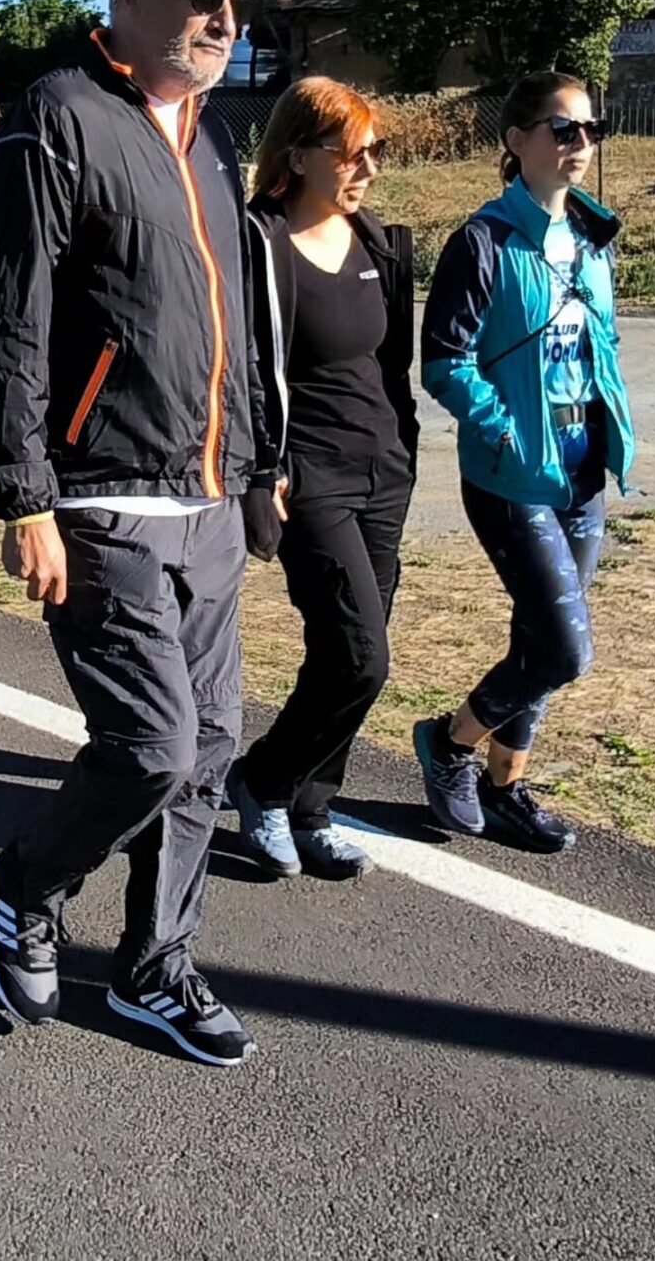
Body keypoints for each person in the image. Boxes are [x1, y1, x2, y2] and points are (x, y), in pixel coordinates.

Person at [0, 0, 279, 1068]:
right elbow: (11, 316)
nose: (220, 15)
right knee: (148, 746)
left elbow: (230, 326)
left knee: (206, 754)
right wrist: (24, 494)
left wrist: (253, 471)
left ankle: (155, 966)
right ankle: (27, 883)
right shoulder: (59, 115)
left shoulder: (206, 137)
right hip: (99, 496)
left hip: (205, 499)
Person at [410, 70, 637, 854]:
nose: (580, 144)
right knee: (566, 650)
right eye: (562, 129)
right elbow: (443, 359)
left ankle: (507, 788)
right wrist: (502, 431)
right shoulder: (483, 240)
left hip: (581, 472)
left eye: (590, 129)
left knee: (536, 642)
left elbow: (599, 347)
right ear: (517, 141)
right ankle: (451, 743)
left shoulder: (590, 239)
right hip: (511, 477)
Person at [224, 77, 419, 884]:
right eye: (350, 153)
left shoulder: (377, 240)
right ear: (298, 154)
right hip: (309, 479)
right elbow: (232, 371)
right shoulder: (256, 243)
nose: (366, 168)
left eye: (374, 152)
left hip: (384, 473)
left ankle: (312, 807)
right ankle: (263, 781)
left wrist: (405, 450)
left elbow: (390, 365)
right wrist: (261, 468)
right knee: (359, 657)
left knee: (344, 652)